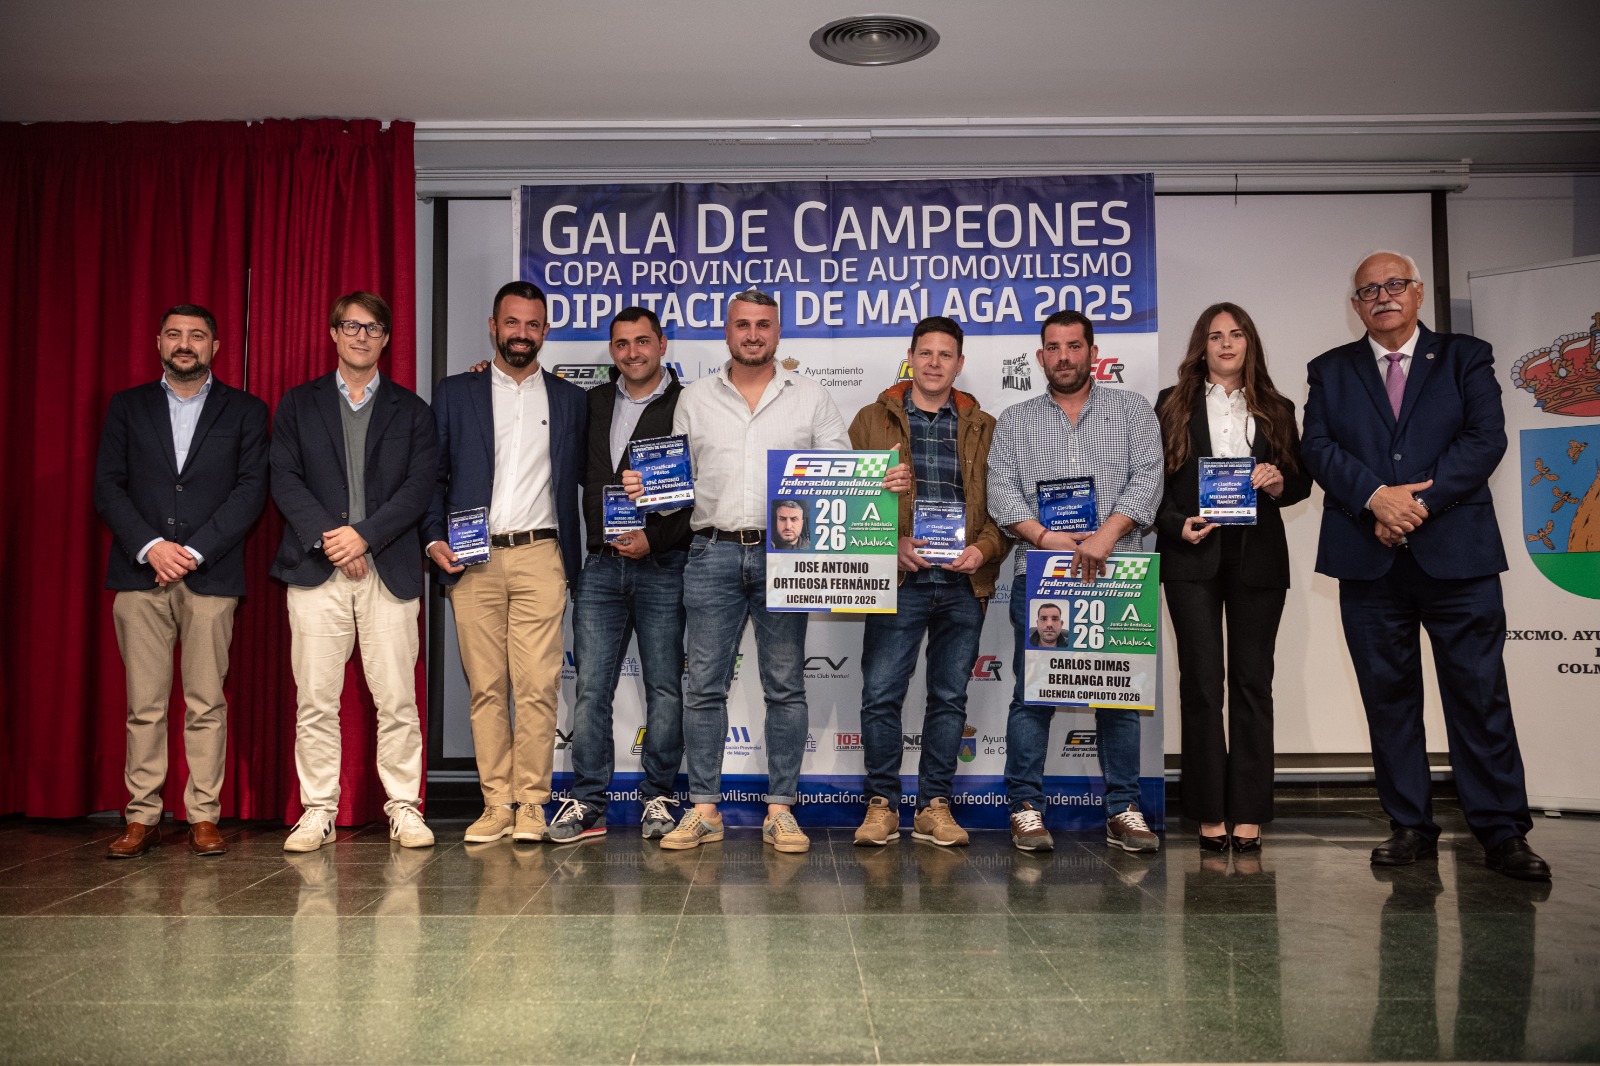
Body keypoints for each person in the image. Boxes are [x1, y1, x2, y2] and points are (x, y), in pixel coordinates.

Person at [625, 289, 908, 854]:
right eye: (742, 325)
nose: (752, 334)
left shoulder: (810, 396)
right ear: (726, 332)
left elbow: (841, 476)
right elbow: (677, 483)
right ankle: (704, 809)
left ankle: (781, 810)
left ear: (778, 333)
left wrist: (881, 481)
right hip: (712, 552)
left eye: (763, 325)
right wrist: (646, 487)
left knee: (785, 686)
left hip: (790, 557)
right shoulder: (695, 398)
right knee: (703, 687)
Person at [1302, 250, 1550, 881]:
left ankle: (1502, 831)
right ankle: (1409, 825)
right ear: (1356, 305)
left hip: (1458, 559)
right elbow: (1318, 448)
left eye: (1395, 284)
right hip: (1368, 559)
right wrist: (1375, 498)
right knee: (1388, 701)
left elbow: (1485, 439)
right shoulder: (1330, 370)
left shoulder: (1467, 357)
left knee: (1479, 697)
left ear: (1417, 293)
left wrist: (1413, 504)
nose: (1383, 296)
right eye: (1369, 290)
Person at [93, 303, 269, 858]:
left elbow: (251, 491)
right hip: (139, 575)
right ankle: (141, 816)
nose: (185, 344)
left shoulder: (246, 410)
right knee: (144, 704)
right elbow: (108, 487)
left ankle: (203, 815)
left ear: (215, 346)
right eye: (174, 334)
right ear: (159, 343)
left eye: (196, 335)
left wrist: (192, 551)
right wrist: (152, 547)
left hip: (211, 576)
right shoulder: (127, 406)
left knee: (205, 702)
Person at [988, 309, 1163, 854]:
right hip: (1042, 573)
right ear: (1040, 356)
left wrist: (1104, 537)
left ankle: (1124, 809)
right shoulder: (1015, 419)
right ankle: (1025, 808)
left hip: (1117, 573)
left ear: (1093, 352)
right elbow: (1000, 493)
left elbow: (1149, 479)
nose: (1063, 357)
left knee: (1118, 695)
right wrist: (1046, 538)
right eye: (1053, 347)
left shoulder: (1133, 409)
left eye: (1074, 346)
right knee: (1032, 695)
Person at [269, 292, 439, 852]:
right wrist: (334, 539)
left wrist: (364, 535)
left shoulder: (412, 410)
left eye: (372, 328)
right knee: (316, 700)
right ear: (334, 333)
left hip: (388, 571)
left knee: (397, 701)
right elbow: (284, 478)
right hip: (316, 570)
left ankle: (404, 807)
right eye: (351, 326)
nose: (361, 336)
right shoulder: (298, 404)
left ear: (386, 338)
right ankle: (318, 809)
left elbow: (419, 488)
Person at [424, 281, 587, 844]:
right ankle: (497, 803)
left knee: (538, 686)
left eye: (532, 324)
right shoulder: (456, 392)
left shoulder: (570, 400)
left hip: (542, 554)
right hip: (473, 557)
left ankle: (533, 804)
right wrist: (433, 538)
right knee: (487, 688)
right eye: (512, 323)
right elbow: (432, 475)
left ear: (545, 331)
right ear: (493, 326)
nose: (522, 333)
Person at [1154, 302, 1311, 853]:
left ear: (1250, 343)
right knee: (1201, 683)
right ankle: (1206, 810)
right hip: (1191, 555)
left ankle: (1249, 811)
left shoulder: (1278, 407)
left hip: (1258, 557)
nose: (1226, 344)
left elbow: (1299, 483)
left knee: (1252, 683)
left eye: (1236, 334)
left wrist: (1277, 482)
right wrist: (1176, 524)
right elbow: (1150, 485)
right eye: (1215, 335)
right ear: (1202, 346)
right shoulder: (1171, 404)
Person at [846, 315, 1007, 848]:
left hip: (964, 583)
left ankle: (934, 806)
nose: (934, 363)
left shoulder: (985, 426)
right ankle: (882, 805)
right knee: (880, 695)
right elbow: (846, 500)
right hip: (898, 580)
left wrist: (984, 549)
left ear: (959, 364)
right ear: (911, 357)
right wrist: (888, 543)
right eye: (926, 353)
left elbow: (1005, 507)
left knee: (949, 698)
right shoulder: (870, 420)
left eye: (945, 355)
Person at [546, 307, 690, 843]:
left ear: (662, 345)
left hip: (663, 565)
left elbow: (708, 487)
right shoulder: (593, 402)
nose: (633, 352)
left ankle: (659, 797)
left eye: (643, 341)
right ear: (612, 350)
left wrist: (657, 538)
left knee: (665, 689)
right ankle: (588, 802)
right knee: (590, 690)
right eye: (623, 343)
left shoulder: (689, 404)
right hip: (601, 567)